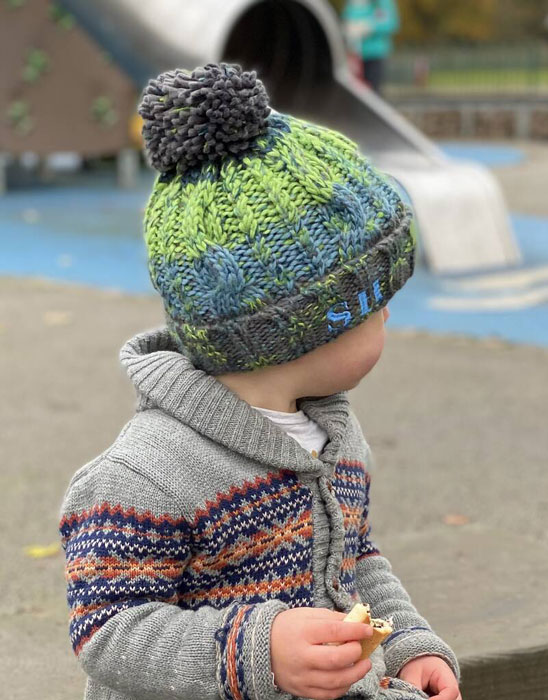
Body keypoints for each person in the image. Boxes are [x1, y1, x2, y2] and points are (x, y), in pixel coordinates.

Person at [59, 63, 460, 700]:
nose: (389, 313)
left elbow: (354, 560)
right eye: (377, 300)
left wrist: (404, 642)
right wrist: (255, 650)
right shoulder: (146, 474)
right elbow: (110, 630)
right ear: (298, 328)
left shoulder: (333, 434)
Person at [342, 0, 399, 94]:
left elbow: (391, 23)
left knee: (373, 93)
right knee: (354, 93)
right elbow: (346, 18)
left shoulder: (383, 2)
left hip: (375, 55)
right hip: (354, 56)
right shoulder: (352, 3)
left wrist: (368, 26)